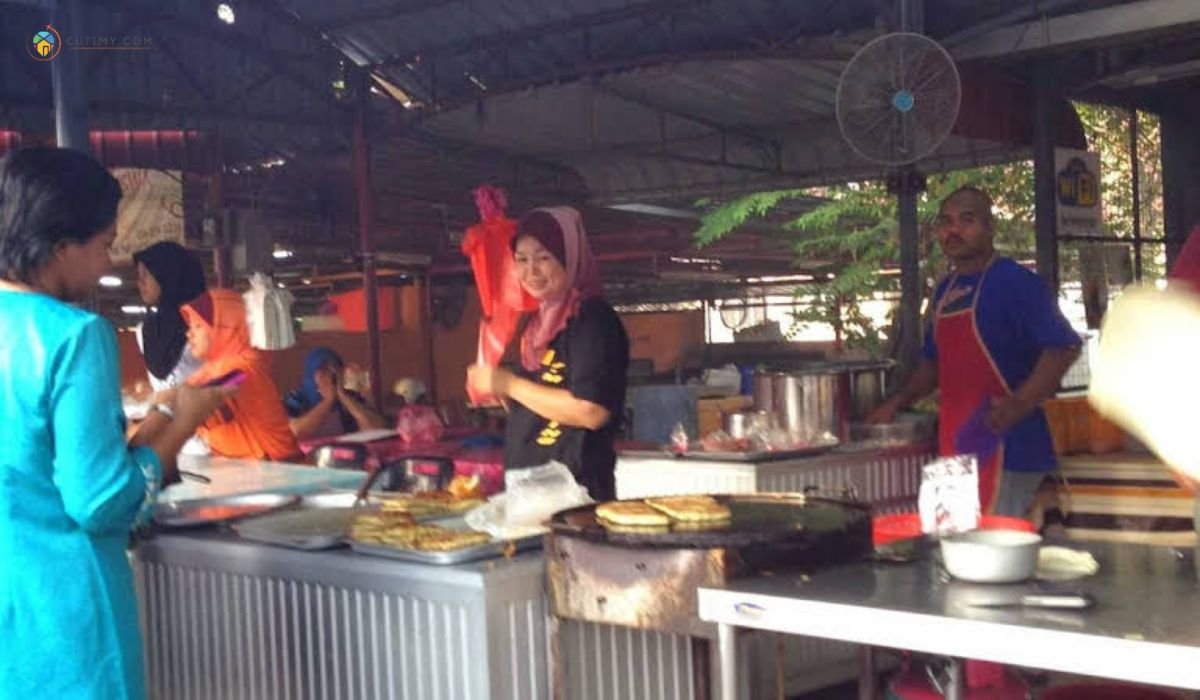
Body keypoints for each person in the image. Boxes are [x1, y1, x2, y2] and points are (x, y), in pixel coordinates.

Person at [0, 146, 232, 699]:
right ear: (60, 248)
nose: (108, 265)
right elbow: (100, 503)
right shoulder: (73, 336)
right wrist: (183, 422)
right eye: (104, 245)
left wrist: (153, 424)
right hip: (65, 615)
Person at [869, 186, 1081, 517]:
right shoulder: (945, 290)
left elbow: (1064, 347)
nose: (953, 230)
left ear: (989, 227)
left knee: (1001, 558)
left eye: (966, 220)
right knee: (952, 550)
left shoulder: (1015, 282)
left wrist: (1018, 404)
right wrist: (895, 403)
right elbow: (933, 362)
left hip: (1011, 450)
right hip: (955, 449)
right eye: (945, 222)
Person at [466, 206, 630, 501]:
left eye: (544, 258)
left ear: (570, 256)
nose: (531, 271)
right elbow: (542, 403)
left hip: (575, 495)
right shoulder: (535, 325)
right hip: (532, 489)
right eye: (521, 260)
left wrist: (509, 384)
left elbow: (591, 411)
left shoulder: (591, 319)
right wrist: (499, 391)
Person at [180, 289, 302, 461]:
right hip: (243, 471)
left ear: (226, 327)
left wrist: (164, 401)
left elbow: (206, 395)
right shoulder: (211, 369)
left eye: (198, 326)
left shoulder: (246, 369)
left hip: (279, 472)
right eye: (190, 326)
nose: (189, 333)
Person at [284, 347, 386, 439]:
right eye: (324, 369)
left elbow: (377, 429)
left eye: (335, 367)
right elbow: (296, 432)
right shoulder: (295, 399)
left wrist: (343, 397)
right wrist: (328, 401)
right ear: (312, 374)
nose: (331, 373)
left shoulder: (351, 398)